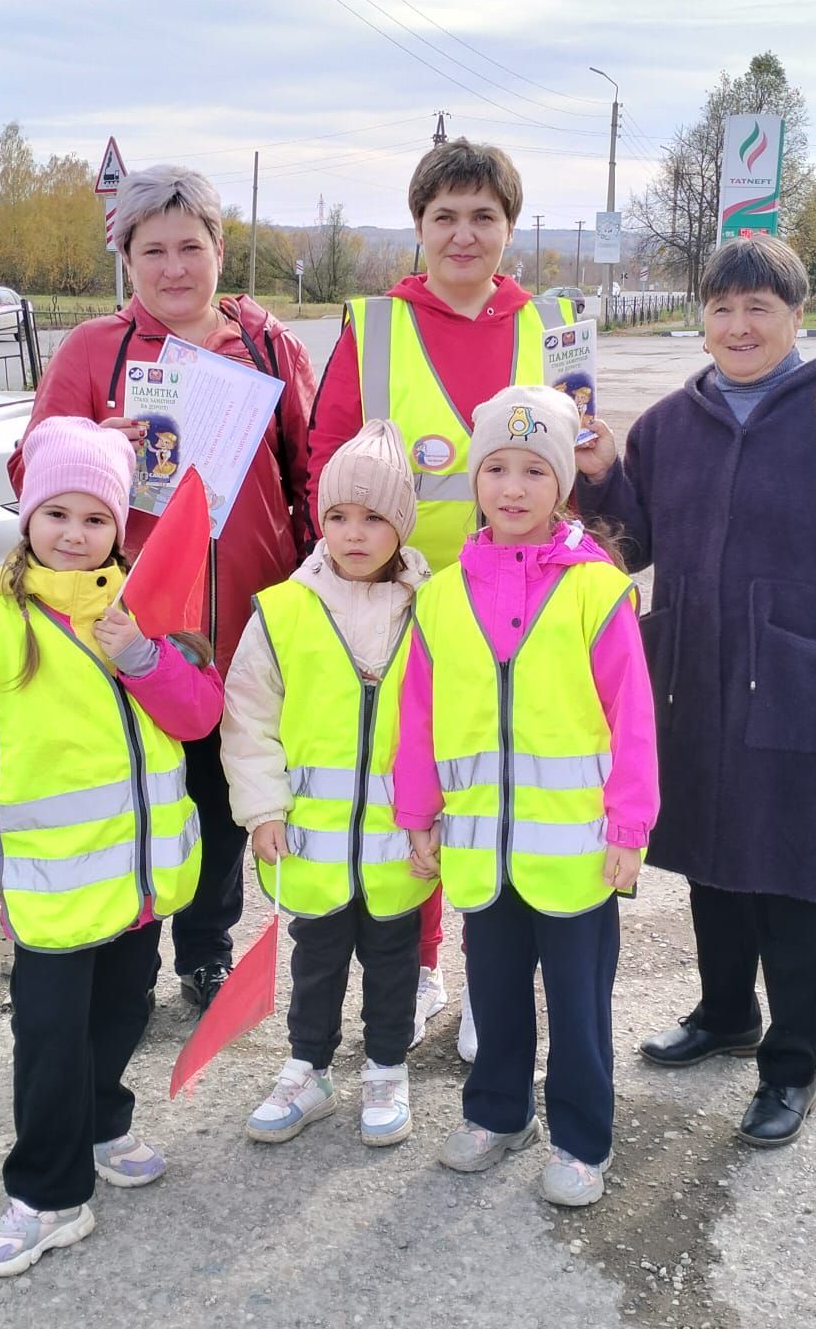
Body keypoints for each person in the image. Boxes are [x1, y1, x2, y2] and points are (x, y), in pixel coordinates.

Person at [575, 235, 816, 1148]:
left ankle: (791, 1064)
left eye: (759, 308)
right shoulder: (667, 423)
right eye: (723, 308)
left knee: (796, 873)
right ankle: (726, 1013)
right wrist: (602, 474)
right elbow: (629, 547)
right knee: (711, 852)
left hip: (803, 683)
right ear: (702, 317)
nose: (738, 326)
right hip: (690, 676)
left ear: (795, 317)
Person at [9, 165, 315, 1013]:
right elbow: (32, 467)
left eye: (191, 246)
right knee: (142, 782)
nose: (174, 267)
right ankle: (127, 953)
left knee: (223, 793)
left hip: (246, 616)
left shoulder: (266, 345)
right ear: (126, 258)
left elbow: (309, 467)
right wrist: (92, 443)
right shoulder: (94, 351)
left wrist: (313, 580)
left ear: (221, 249)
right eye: (153, 251)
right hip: (129, 622)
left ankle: (206, 950)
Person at [0, 417, 223, 1277]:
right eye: (57, 512)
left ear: (120, 528)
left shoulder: (146, 608)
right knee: (50, 1038)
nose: (75, 532)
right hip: (55, 888)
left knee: (123, 1014)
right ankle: (47, 1197)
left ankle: (103, 1121)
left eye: (95, 517)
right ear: (27, 518)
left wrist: (142, 658)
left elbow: (198, 716)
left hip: (140, 884)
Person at [307, 138, 578, 1057]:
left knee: (502, 784)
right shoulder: (375, 326)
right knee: (413, 789)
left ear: (510, 225)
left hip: (520, 606)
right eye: (444, 218)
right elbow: (328, 456)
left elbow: (575, 457)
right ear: (419, 227)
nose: (464, 236)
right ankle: (421, 972)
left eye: (484, 217)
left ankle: (490, 983)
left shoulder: (547, 325)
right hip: (402, 606)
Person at [395, 386, 659, 1208]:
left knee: (579, 1008)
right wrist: (418, 811)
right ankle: (497, 1113)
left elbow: (633, 718)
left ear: (562, 485)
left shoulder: (596, 590)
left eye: (535, 471)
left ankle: (582, 1140)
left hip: (576, 851)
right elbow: (419, 714)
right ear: (475, 481)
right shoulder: (439, 596)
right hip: (482, 845)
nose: (513, 488)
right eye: (497, 469)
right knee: (495, 992)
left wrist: (630, 825)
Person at [222, 419, 434, 1148]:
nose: (353, 532)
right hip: (311, 842)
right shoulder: (285, 609)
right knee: (315, 961)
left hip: (397, 843)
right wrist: (261, 809)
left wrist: (437, 815)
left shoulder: (431, 610)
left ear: (401, 527)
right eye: (339, 515)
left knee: (394, 962)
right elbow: (249, 714)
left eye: (374, 517)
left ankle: (385, 1068)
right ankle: (307, 1067)